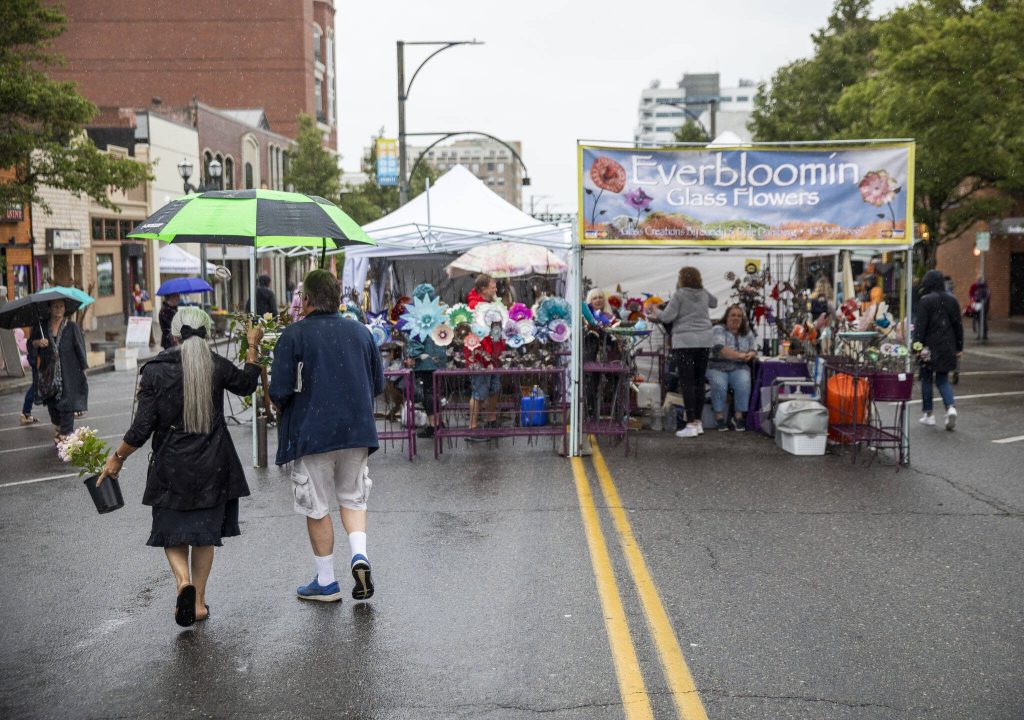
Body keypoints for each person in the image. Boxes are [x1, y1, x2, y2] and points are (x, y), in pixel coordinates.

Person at [97, 307, 263, 627]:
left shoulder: (156, 371)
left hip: (172, 468)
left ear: (173, 335)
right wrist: (253, 345)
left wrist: (117, 458)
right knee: (203, 537)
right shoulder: (216, 365)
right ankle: (198, 602)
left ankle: (182, 584)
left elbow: (141, 429)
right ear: (207, 334)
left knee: (172, 535)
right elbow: (246, 384)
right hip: (213, 467)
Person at [270, 270, 384, 603]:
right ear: (338, 299)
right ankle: (359, 556)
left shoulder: (294, 335)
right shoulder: (362, 333)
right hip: (357, 430)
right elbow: (377, 384)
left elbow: (279, 391)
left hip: (313, 431)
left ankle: (326, 582)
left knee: (316, 505)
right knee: (353, 497)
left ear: (304, 300)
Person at [655, 267, 718, 438]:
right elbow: (715, 302)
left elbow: (667, 317)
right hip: (704, 341)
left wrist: (655, 310)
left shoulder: (680, 294)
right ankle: (698, 422)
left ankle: (690, 424)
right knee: (699, 383)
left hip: (685, 343)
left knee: (687, 384)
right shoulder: (703, 292)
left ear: (682, 279)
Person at [30, 299, 88, 443]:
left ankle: (66, 436)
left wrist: (84, 369)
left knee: (67, 405)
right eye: (55, 306)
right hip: (48, 374)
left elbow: (80, 348)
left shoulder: (72, 327)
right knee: (52, 405)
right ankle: (61, 429)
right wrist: (37, 343)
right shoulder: (41, 326)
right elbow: (30, 345)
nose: (59, 309)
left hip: (69, 372)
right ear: (49, 308)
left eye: (61, 306)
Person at [913, 269, 963, 431]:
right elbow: (958, 326)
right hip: (948, 345)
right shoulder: (952, 300)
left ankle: (929, 415)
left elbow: (920, 327)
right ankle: (950, 408)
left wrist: (916, 346)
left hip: (929, 347)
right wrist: (959, 347)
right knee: (942, 379)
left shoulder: (925, 301)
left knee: (926, 378)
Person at [404, 283, 447, 439]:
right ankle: (438, 423)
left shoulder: (417, 315)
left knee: (429, 392)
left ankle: (433, 426)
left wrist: (412, 356)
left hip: (425, 360)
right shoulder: (438, 312)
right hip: (439, 358)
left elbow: (416, 340)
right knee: (437, 391)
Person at [465, 273, 504, 439]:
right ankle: (472, 427)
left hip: (494, 354)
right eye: (492, 285)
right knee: (479, 391)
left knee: (495, 388)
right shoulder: (475, 306)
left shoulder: (491, 304)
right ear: (483, 288)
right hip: (479, 356)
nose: (495, 288)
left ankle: (491, 419)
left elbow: (496, 329)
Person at [707, 304, 757, 431]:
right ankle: (719, 417)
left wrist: (750, 354)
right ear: (726, 317)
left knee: (744, 381)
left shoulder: (747, 332)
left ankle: (738, 417)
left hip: (739, 367)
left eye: (739, 316)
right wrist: (740, 355)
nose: (736, 318)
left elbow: (753, 349)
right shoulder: (718, 329)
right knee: (719, 383)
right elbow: (720, 349)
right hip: (717, 366)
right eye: (733, 315)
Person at [968, 276, 990, 341]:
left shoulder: (984, 290)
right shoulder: (984, 290)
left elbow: (984, 298)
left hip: (982, 308)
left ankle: (983, 334)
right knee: (981, 321)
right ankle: (982, 334)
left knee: (981, 321)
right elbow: (975, 297)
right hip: (981, 308)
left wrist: (977, 300)